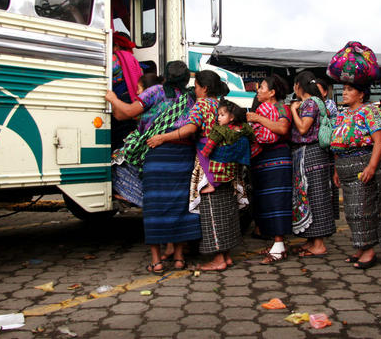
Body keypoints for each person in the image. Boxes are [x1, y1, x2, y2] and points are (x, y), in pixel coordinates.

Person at [106, 60, 199, 274]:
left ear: (164, 76)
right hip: (183, 156)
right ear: (186, 80)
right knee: (179, 205)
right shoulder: (190, 97)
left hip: (157, 154)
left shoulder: (155, 92)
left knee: (155, 206)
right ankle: (178, 258)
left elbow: (125, 113)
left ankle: (157, 262)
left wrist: (112, 99)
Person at [148, 71, 242, 272]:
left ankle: (218, 259)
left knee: (211, 209)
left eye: (197, 86)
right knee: (226, 207)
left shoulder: (202, 104)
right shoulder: (222, 105)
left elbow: (191, 129)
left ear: (205, 88)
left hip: (208, 162)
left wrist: (163, 138)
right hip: (226, 162)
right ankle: (226, 256)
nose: (195, 90)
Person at [331, 82, 381, 270]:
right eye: (343, 90)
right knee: (351, 212)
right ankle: (360, 246)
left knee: (363, 209)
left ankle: (369, 250)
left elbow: (379, 140)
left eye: (350, 90)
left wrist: (372, 167)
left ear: (361, 94)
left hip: (363, 165)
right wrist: (336, 170)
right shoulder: (342, 114)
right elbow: (337, 141)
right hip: (344, 166)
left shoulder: (370, 112)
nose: (344, 93)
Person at [246, 74, 293, 264]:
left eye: (262, 87)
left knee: (277, 200)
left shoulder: (282, 108)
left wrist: (257, 118)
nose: (258, 90)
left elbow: (282, 129)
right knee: (264, 200)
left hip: (277, 158)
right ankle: (275, 243)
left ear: (272, 93)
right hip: (261, 159)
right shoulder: (262, 108)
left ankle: (280, 245)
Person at [289, 71, 335, 257]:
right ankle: (311, 240)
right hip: (314, 154)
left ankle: (319, 244)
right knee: (311, 195)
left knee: (314, 196)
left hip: (311, 154)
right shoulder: (318, 101)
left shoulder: (309, 103)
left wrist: (293, 110)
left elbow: (303, 127)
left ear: (299, 85)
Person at [110, 32, 143, 150]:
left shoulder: (113, 58)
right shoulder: (134, 61)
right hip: (134, 102)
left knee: (116, 136)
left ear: (116, 45)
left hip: (119, 101)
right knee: (126, 137)